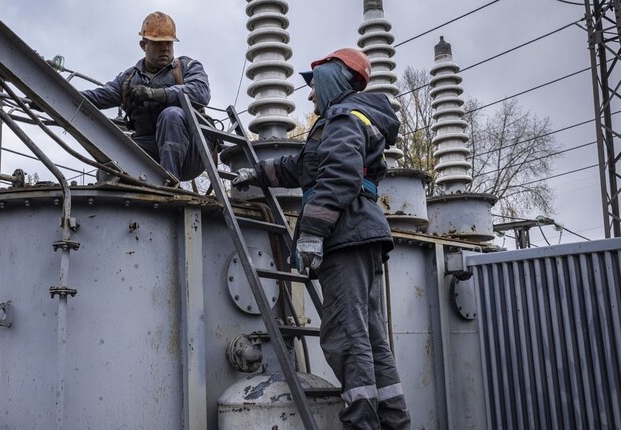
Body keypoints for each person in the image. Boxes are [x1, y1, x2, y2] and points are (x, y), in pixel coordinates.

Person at [232, 48, 410, 430]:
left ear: (333, 77)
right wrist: (257, 173)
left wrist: (312, 232)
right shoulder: (349, 119)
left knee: (346, 334)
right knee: (371, 336)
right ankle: (394, 421)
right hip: (363, 233)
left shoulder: (343, 117)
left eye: (314, 85)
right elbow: (302, 167)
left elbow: (339, 176)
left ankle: (362, 423)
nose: (310, 95)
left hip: (346, 234)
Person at [80, 11, 210, 182]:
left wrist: (157, 94)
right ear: (143, 45)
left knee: (171, 114)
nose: (165, 48)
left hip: (193, 149)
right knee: (112, 161)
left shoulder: (187, 67)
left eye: (169, 42)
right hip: (151, 147)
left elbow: (201, 92)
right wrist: (56, 89)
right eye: (158, 43)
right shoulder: (128, 79)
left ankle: (169, 186)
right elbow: (98, 96)